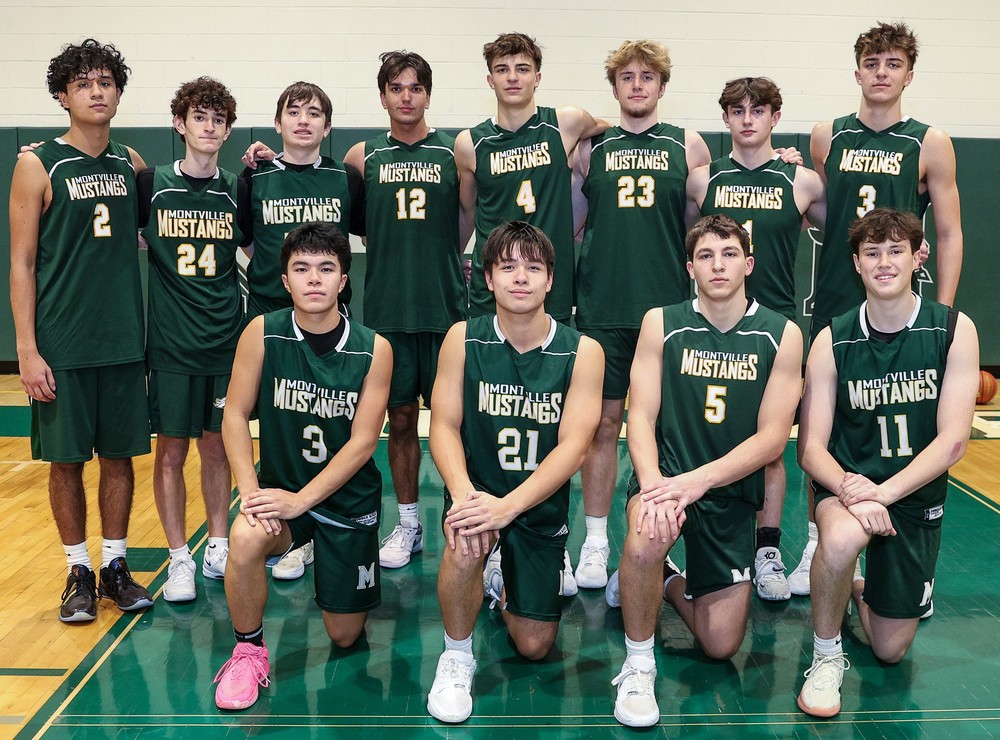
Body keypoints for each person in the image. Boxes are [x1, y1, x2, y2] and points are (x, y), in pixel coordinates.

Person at [788, 21, 963, 595]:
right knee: (824, 429)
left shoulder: (928, 141)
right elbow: (828, 217)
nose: (881, 73)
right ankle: (823, 546)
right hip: (837, 304)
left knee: (900, 424)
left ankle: (898, 548)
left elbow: (949, 231)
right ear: (857, 70)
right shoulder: (826, 136)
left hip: (900, 310)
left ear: (908, 75)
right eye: (872, 63)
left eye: (893, 64)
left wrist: (940, 317)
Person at [609, 215, 802, 728]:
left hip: (727, 492)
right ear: (689, 266)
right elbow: (640, 414)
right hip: (666, 476)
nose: (718, 265)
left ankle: (667, 581)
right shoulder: (662, 322)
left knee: (720, 646)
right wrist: (652, 483)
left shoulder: (782, 333)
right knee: (645, 537)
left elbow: (771, 438)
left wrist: (699, 482)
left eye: (729, 254)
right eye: (706, 256)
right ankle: (638, 663)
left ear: (749, 263)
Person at [796, 208, 977, 718]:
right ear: (855, 263)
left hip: (911, 496)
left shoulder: (952, 330)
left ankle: (858, 587)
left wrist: (884, 495)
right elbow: (810, 449)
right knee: (841, 538)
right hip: (847, 488)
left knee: (888, 649)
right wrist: (856, 492)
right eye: (872, 253)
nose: (884, 262)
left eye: (895, 250)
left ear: (919, 256)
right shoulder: (832, 339)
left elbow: (953, 443)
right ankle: (826, 656)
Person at [425, 222, 603, 724]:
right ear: (487, 278)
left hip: (535, 503)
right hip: (480, 494)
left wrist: (509, 507)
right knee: (464, 537)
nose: (520, 278)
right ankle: (456, 657)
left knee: (534, 645)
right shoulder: (464, 339)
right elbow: (443, 426)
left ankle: (502, 580)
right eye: (507, 267)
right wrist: (463, 496)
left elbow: (574, 446)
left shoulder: (582, 350)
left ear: (550, 280)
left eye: (533, 267)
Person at [213, 222, 391, 711]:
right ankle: (248, 650)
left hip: (344, 498)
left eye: (327, 268)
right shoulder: (263, 333)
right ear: (285, 280)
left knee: (345, 636)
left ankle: (330, 568)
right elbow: (232, 414)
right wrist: (250, 493)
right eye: (302, 269)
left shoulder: (374, 348)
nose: (315, 279)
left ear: (344, 280)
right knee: (246, 535)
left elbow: (362, 443)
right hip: (281, 495)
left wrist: (302, 500)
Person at [9, 38, 152, 623]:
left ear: (118, 93)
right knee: (66, 461)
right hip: (62, 342)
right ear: (63, 94)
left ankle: (115, 565)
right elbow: (20, 262)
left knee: (119, 459)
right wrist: (26, 348)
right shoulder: (37, 162)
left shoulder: (133, 164)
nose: (97, 91)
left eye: (106, 82)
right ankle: (77, 570)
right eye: (84, 83)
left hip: (122, 339)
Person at [572, 39, 711, 590]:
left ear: (661, 85)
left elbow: (703, 227)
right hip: (603, 307)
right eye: (626, 77)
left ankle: (667, 536)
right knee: (601, 426)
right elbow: (576, 224)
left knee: (670, 430)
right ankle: (597, 539)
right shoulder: (591, 148)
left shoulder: (688, 145)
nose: (636, 85)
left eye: (646, 77)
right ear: (614, 87)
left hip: (669, 312)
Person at [687, 76, 826, 601]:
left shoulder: (803, 182)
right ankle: (691, 536)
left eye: (758, 110)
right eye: (737, 110)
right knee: (707, 431)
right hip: (712, 328)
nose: (748, 119)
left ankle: (767, 547)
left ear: (774, 117)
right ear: (725, 119)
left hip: (775, 330)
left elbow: (847, 236)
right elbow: (687, 239)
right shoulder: (701, 179)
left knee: (771, 447)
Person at [343, 51, 464, 570]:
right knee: (400, 417)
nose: (407, 96)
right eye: (397, 88)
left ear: (428, 95)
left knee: (459, 422)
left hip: (444, 310)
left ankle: (464, 512)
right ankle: (410, 523)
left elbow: (466, 222)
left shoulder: (453, 152)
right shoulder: (362, 156)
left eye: (416, 88)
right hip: (389, 311)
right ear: (383, 95)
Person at [241, 81, 366, 580]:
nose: (303, 121)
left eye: (315, 114)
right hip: (273, 321)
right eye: (293, 112)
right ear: (277, 123)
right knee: (280, 427)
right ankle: (287, 525)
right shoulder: (255, 176)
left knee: (333, 421)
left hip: (334, 323)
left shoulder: (345, 178)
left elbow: (363, 235)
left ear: (327, 127)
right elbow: (247, 245)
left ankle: (323, 525)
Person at [138, 77, 252, 601]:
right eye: (199, 118)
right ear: (180, 124)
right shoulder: (152, 184)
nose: (209, 128)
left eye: (218, 120)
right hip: (171, 345)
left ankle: (218, 542)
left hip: (225, 342)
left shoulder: (238, 188)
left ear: (227, 130)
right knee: (170, 451)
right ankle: (177, 555)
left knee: (217, 448)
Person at [456, 32, 607, 324]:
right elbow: (467, 211)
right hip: (493, 285)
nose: (512, 77)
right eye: (502, 69)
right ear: (490, 80)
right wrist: (454, 259)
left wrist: (579, 197)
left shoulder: (565, 122)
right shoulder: (470, 143)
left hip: (550, 282)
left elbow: (608, 133)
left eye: (522, 69)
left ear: (537, 77)